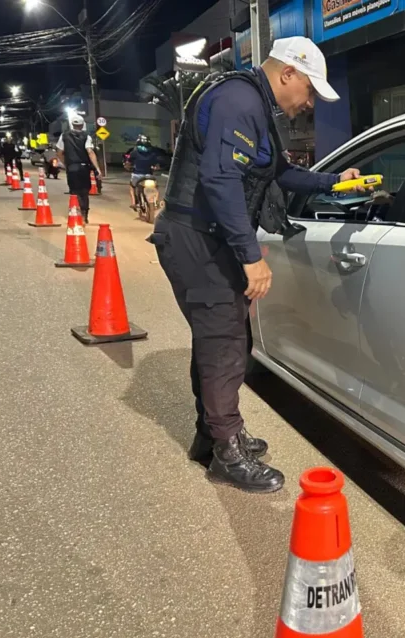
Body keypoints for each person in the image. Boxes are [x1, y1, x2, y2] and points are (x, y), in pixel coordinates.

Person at [148, 36, 367, 493]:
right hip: (198, 239)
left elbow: (278, 172)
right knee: (224, 342)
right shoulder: (238, 101)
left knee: (223, 339)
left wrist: (334, 181)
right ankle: (226, 453)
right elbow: (220, 179)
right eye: (309, 90)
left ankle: (213, 436)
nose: (309, 103)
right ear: (288, 72)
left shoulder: (254, 105)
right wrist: (251, 258)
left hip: (206, 238)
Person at [56, 115, 101, 223]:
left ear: (72, 124)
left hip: (71, 168)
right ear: (82, 125)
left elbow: (59, 152)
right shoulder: (87, 137)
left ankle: (76, 213)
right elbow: (90, 152)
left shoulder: (64, 136)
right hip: (84, 167)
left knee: (74, 192)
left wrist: (66, 164)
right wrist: (97, 168)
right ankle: (84, 215)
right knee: (84, 192)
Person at [126, 134, 160, 210]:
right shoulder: (152, 153)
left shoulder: (134, 152)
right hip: (149, 176)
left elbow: (128, 163)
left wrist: (128, 168)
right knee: (156, 187)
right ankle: (156, 202)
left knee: (132, 187)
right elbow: (157, 166)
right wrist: (155, 168)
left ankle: (133, 203)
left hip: (137, 176)